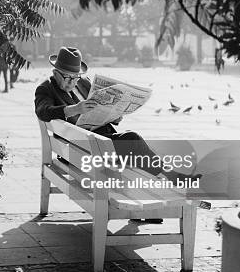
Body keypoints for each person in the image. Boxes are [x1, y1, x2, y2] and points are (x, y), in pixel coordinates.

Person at [35, 47, 198, 184]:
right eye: (67, 77)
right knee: (134, 143)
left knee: (139, 151)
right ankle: (172, 178)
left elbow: (99, 106)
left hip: (99, 142)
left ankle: (153, 201)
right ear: (55, 72)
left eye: (75, 77)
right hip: (78, 150)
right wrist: (74, 109)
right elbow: (43, 111)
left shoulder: (84, 83)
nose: (72, 82)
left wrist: (113, 115)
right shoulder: (46, 89)